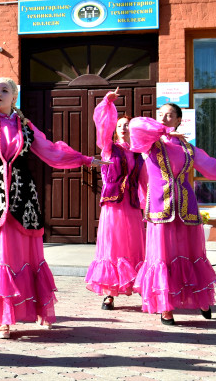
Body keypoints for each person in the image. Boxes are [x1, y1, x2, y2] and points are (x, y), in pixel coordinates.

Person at [0, 28, 106, 339]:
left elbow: (53, 151)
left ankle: (34, 308)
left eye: (2, 90)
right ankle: (4, 318)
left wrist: (85, 160)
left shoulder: (26, 126)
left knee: (22, 257)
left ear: (14, 96)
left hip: (23, 201)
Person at [130, 103, 216, 325]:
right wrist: (165, 131)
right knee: (162, 257)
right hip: (161, 208)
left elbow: (214, 167)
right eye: (161, 115)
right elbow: (136, 125)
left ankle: (200, 299)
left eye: (170, 115)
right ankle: (165, 307)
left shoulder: (188, 148)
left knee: (189, 254)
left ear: (179, 120)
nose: (165, 118)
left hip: (186, 208)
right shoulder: (150, 142)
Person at [85, 89, 145, 310]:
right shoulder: (109, 148)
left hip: (132, 205)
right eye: (119, 126)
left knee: (135, 247)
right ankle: (109, 294)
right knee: (112, 247)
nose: (123, 128)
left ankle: (139, 287)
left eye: (127, 125)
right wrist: (107, 103)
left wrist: (149, 204)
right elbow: (102, 125)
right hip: (113, 205)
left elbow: (145, 181)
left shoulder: (139, 152)